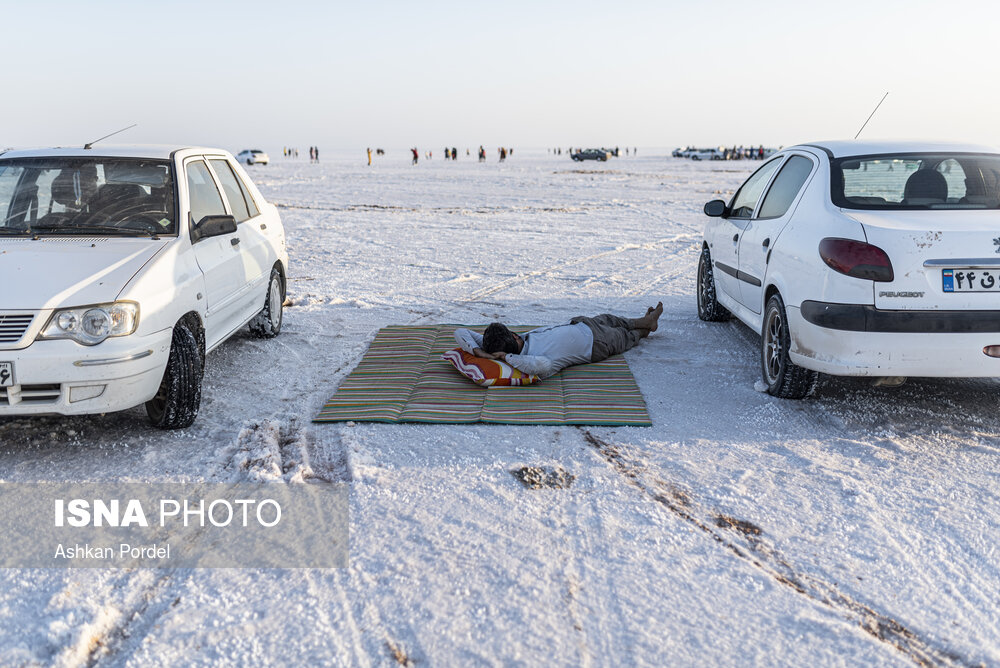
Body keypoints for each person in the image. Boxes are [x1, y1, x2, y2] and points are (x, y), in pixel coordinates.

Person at [453, 303, 662, 379]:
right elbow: (541, 366)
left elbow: (460, 332)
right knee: (626, 337)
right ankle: (647, 328)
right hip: (597, 344)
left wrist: (479, 352)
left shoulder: (505, 344)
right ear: (514, 336)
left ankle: (644, 321)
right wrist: (505, 357)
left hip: (581, 324)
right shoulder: (532, 360)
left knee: (613, 319)